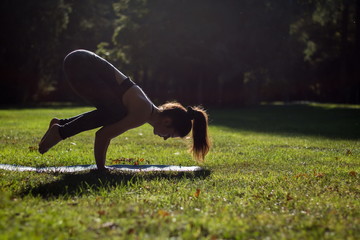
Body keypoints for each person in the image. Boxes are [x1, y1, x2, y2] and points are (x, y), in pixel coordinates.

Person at [39, 49, 210, 170]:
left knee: (115, 112)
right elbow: (103, 135)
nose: (165, 139)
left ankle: (60, 125)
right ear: (167, 121)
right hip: (81, 63)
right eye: (169, 135)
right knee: (115, 113)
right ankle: (60, 131)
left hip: (79, 60)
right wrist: (101, 168)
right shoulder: (142, 113)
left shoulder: (144, 107)